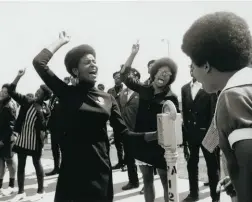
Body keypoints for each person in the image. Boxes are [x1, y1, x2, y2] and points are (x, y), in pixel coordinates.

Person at [32, 31, 155, 202]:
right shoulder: (67, 93)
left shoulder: (108, 98)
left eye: (94, 61)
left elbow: (124, 134)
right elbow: (39, 62)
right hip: (72, 173)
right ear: (75, 70)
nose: (93, 65)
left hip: (100, 172)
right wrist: (60, 42)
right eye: (87, 62)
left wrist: (153, 135)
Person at [181, 11, 252, 202]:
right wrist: (238, 179)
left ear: (206, 65)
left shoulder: (233, 96)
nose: (193, 71)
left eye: (192, 64)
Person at [121, 42, 180, 202]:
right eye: (161, 71)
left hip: (162, 145)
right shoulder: (144, 89)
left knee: (166, 182)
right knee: (147, 181)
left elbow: (175, 124)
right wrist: (133, 54)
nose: (163, 75)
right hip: (142, 140)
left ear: (171, 78)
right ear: (154, 73)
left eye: (168, 73)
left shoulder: (171, 97)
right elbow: (125, 75)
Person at [8, 69, 52, 202]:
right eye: (37, 90)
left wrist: (43, 142)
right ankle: (21, 192)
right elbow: (11, 91)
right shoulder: (27, 101)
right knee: (21, 165)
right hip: (22, 139)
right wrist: (18, 76)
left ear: (44, 96)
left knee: (37, 164)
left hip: (35, 141)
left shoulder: (44, 109)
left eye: (40, 92)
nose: (37, 92)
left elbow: (45, 127)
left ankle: (41, 191)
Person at [181, 65, 220, 202]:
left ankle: (215, 196)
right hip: (191, 134)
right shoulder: (185, 88)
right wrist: (185, 136)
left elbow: (214, 113)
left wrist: (212, 135)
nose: (192, 70)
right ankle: (193, 194)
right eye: (190, 68)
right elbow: (185, 114)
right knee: (191, 164)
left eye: (195, 67)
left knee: (212, 166)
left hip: (207, 133)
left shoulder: (210, 87)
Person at [119, 68, 140, 190]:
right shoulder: (123, 92)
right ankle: (133, 181)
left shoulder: (142, 91)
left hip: (140, 129)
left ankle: (148, 183)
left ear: (136, 77)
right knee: (129, 157)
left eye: (130, 75)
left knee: (146, 158)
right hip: (126, 130)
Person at [45, 76, 70, 176]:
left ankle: (66, 168)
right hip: (54, 127)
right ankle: (56, 167)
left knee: (64, 148)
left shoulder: (64, 96)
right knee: (54, 148)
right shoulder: (53, 97)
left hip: (63, 127)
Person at [0, 84, 16, 197]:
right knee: (0, 162)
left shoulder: (9, 106)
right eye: (2, 91)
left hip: (6, 139)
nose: (2, 93)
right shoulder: (1, 104)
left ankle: (11, 185)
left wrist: (2, 140)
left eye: (6, 92)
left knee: (9, 161)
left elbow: (11, 126)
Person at [107, 71, 125, 171]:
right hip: (115, 120)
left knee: (126, 142)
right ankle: (120, 162)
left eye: (119, 77)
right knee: (118, 143)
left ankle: (126, 163)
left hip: (125, 120)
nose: (117, 78)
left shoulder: (126, 89)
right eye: (115, 77)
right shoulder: (110, 91)